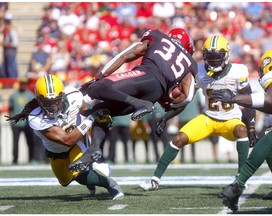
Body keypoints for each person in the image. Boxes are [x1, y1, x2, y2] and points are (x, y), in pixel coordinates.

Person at [68, 28, 198, 172]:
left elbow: (126, 54)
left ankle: (138, 104)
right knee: (101, 111)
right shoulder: (190, 63)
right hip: (155, 94)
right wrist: (166, 107)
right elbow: (187, 96)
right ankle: (94, 149)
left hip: (144, 76)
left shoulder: (158, 37)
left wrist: (99, 76)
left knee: (96, 87)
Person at [138, 34, 257, 191]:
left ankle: (241, 179)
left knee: (242, 131)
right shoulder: (199, 70)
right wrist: (167, 116)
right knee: (179, 138)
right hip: (208, 119)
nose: (213, 61)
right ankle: (154, 179)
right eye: (210, 57)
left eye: (217, 57)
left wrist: (252, 127)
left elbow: (249, 101)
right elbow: (186, 99)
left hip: (231, 120)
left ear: (226, 56)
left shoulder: (238, 71)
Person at [5, 74, 124, 200]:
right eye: (47, 102)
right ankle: (93, 174)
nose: (52, 106)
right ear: (39, 101)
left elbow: (84, 109)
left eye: (55, 101)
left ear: (62, 95)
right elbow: (66, 140)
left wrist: (95, 117)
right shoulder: (36, 117)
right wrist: (91, 119)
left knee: (79, 175)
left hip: (77, 141)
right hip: (57, 150)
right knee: (65, 181)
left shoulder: (73, 95)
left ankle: (111, 184)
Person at [211, 49, 272, 212]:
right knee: (269, 138)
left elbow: (270, 99)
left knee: (270, 139)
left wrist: (233, 98)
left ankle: (237, 185)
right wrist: (243, 102)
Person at [8, 77, 35, 164]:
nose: (23, 85)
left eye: (24, 84)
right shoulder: (14, 95)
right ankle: (15, 159)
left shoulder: (30, 95)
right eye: (22, 84)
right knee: (15, 143)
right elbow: (10, 109)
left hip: (27, 123)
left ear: (26, 84)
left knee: (30, 142)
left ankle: (32, 159)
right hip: (16, 124)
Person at [1, 13, 18, 78]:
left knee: (11, 66)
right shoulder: (7, 31)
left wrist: (6, 44)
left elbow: (15, 43)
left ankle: (12, 81)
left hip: (11, 51)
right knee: (6, 66)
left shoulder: (12, 31)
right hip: (7, 51)